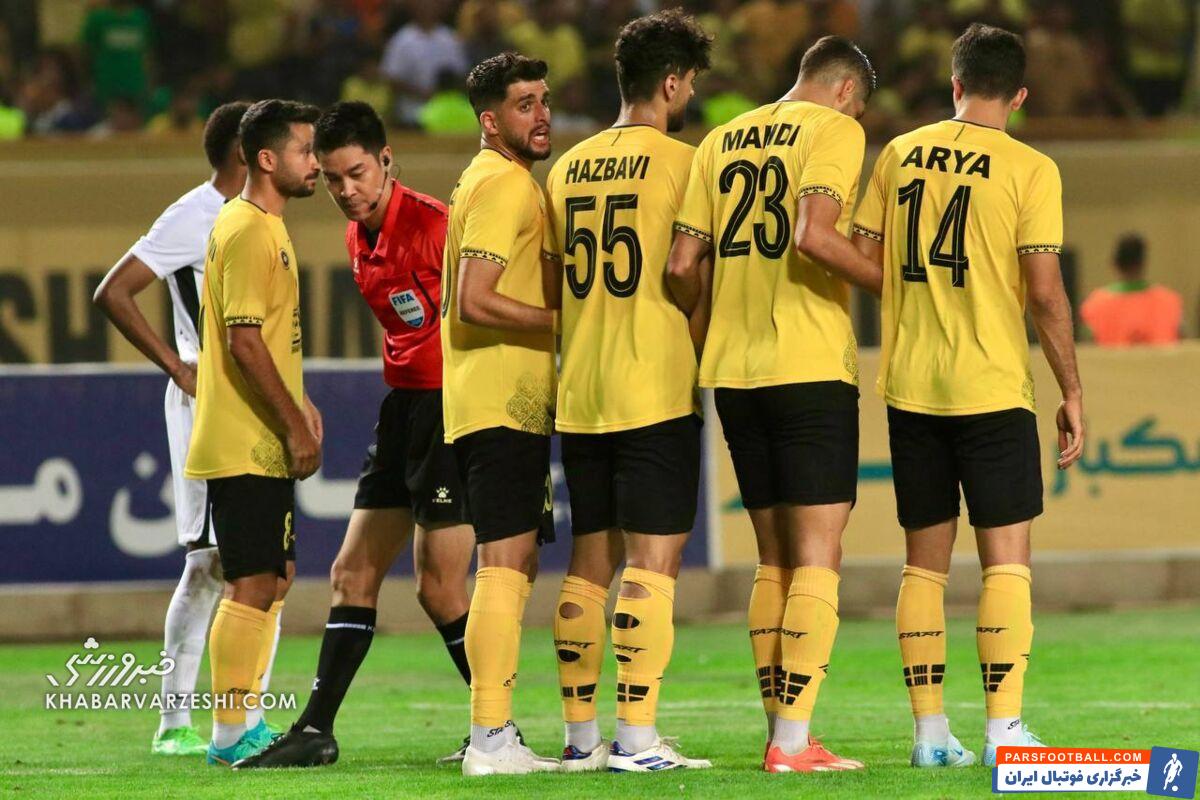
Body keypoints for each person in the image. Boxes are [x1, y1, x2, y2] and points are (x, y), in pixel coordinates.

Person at [851, 23, 1085, 769]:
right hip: (991, 386)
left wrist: (916, 300)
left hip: (912, 385)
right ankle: (1003, 731)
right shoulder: (1031, 168)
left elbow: (861, 256)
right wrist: (1071, 389)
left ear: (954, 84)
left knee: (923, 564)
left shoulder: (899, 152)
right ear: (1019, 96)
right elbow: (1044, 294)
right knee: (1005, 562)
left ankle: (928, 733)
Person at [234, 100, 477, 769]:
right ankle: (316, 729)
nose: (345, 190)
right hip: (402, 411)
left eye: (357, 173)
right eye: (333, 178)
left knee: (440, 588)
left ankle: (496, 726)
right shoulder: (356, 237)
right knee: (351, 573)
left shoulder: (437, 227)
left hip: (451, 411)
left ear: (387, 161)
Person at [667, 35, 881, 775]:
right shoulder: (834, 130)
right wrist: (900, 286)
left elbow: (681, 265)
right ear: (847, 91)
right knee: (819, 554)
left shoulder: (719, 140)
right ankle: (792, 743)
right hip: (808, 362)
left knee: (774, 559)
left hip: (734, 371)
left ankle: (779, 729)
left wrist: (713, 329)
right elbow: (813, 235)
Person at [544, 9, 713, 774]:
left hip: (582, 389)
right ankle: (638, 740)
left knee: (589, 563)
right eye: (690, 83)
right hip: (654, 383)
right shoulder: (685, 164)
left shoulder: (567, 167)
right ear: (670, 83)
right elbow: (685, 271)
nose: (690, 96)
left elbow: (553, 282)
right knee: (652, 565)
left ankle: (581, 739)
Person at [93, 101, 253, 757]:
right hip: (205, 403)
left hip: (251, 405)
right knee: (210, 561)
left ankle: (239, 717)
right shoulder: (194, 215)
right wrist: (178, 366)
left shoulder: (256, 217)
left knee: (255, 563)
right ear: (245, 151)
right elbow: (114, 290)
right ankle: (176, 723)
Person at [184, 98, 324, 767]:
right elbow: (243, 342)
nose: (315, 163)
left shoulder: (266, 225)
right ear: (267, 159)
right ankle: (228, 734)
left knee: (275, 576)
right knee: (250, 582)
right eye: (305, 150)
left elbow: (267, 336)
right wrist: (292, 424)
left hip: (261, 435)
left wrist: (302, 402)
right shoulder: (245, 229)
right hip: (244, 437)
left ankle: (248, 722)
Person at [441, 52, 560, 777]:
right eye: (524, 104)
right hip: (498, 399)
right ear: (490, 121)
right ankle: (490, 738)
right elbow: (473, 299)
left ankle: (494, 731)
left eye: (543, 100)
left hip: (493, 399)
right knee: (504, 564)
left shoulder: (492, 179)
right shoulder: (502, 184)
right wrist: (564, 325)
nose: (541, 115)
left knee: (512, 562)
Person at [1080, 234, 1183, 346]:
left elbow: (1087, 347)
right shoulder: (1169, 301)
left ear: (1115, 264)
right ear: (1143, 263)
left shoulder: (1095, 304)